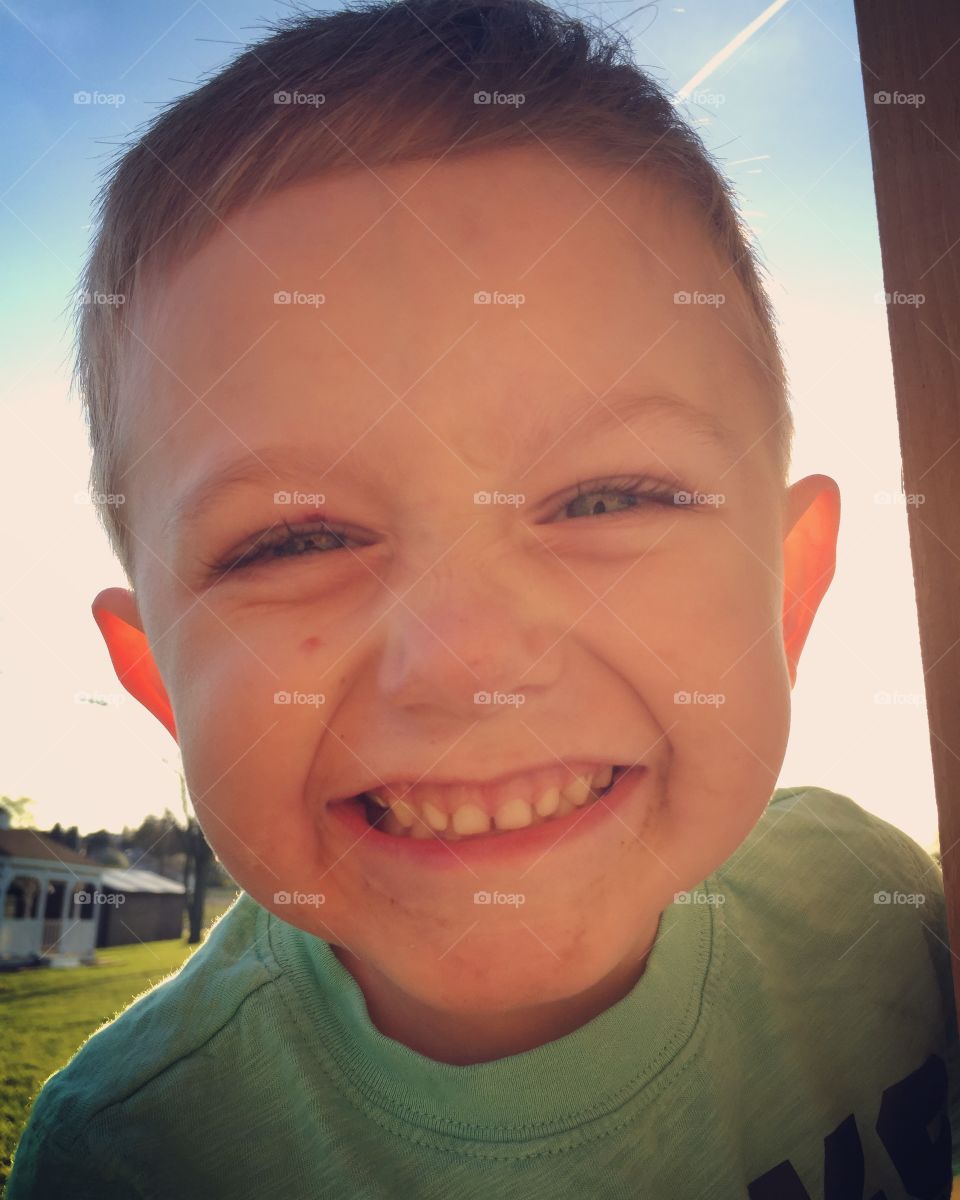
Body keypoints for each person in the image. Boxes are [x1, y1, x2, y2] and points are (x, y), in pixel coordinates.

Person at [8, 1, 959, 1196]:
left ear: (787, 591)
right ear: (161, 683)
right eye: (293, 539)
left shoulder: (887, 920)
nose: (469, 659)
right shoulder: (133, 1158)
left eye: (610, 499)